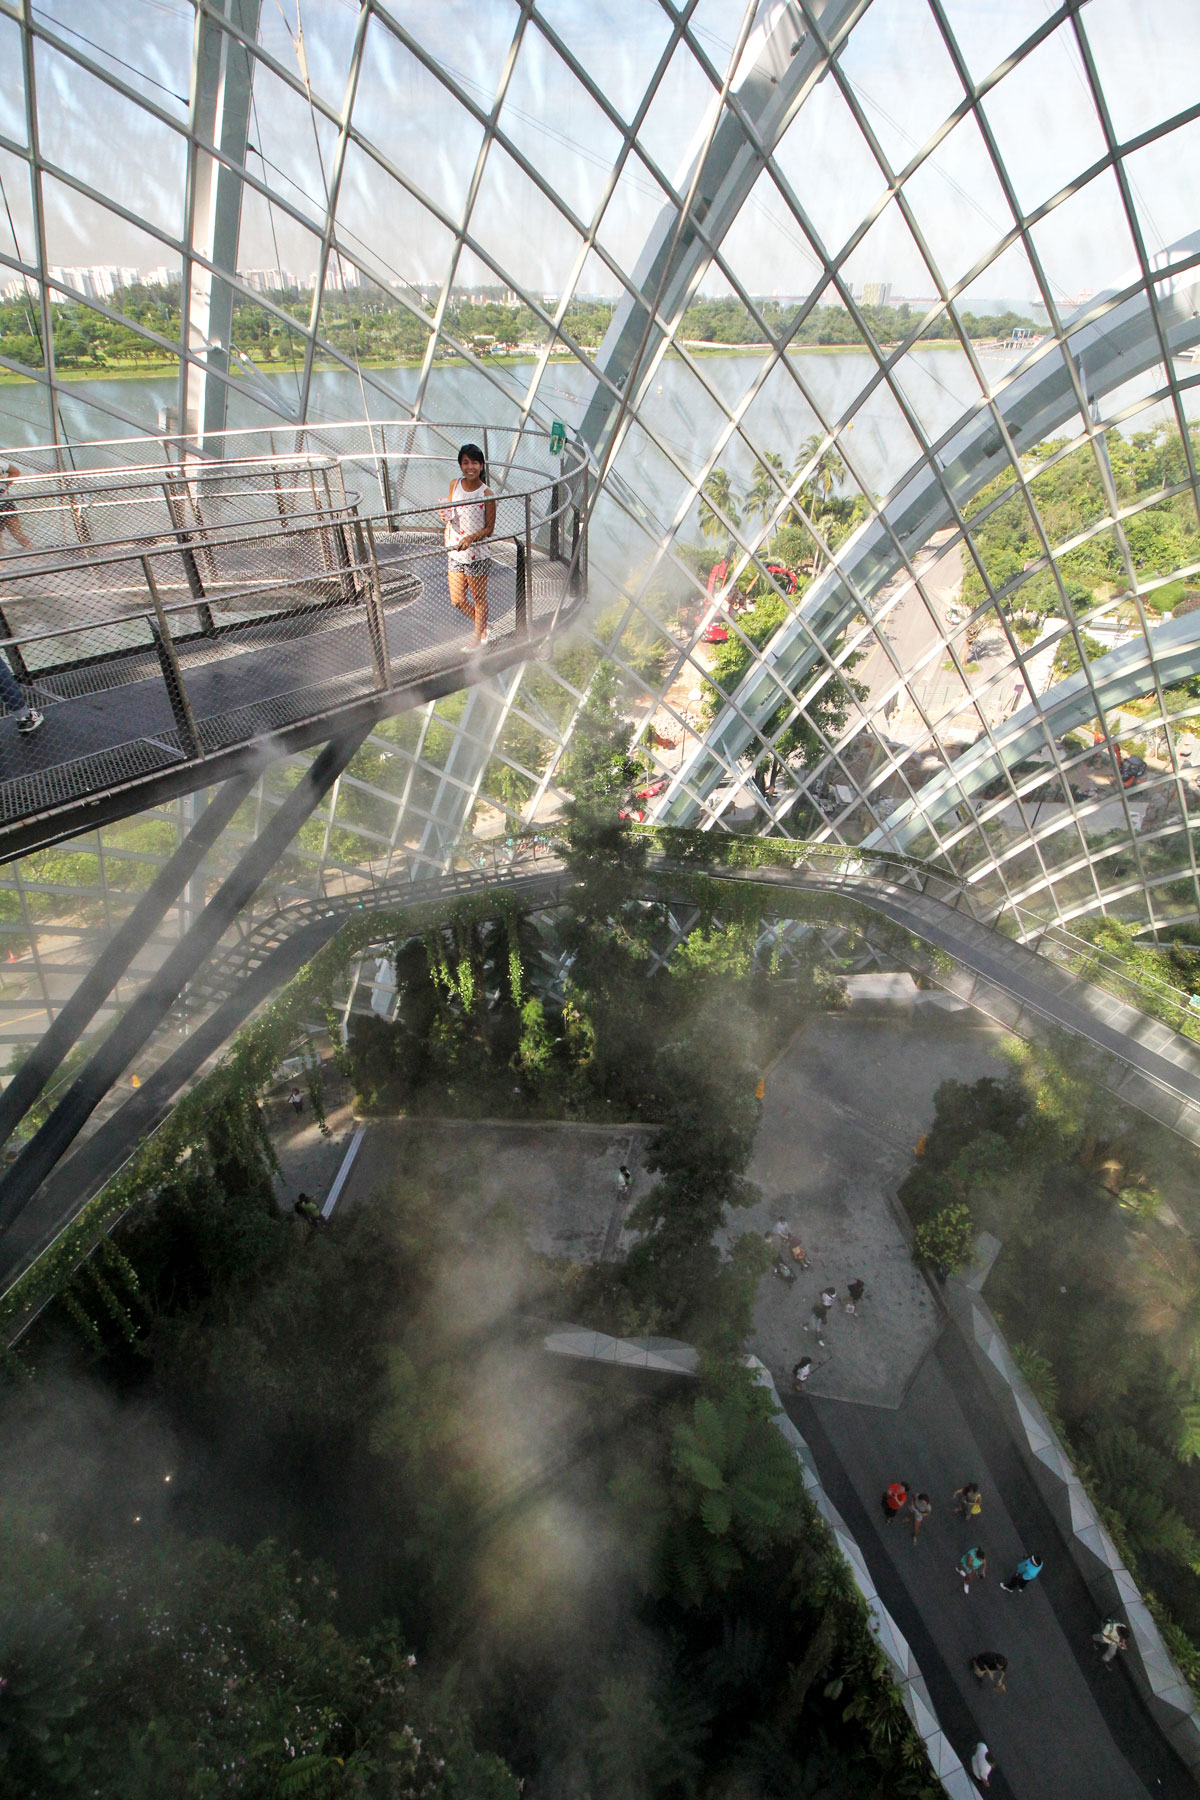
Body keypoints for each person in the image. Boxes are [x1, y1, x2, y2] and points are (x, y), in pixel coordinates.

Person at [440, 442, 496, 646]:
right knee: (457, 600)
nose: (469, 467)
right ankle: (483, 625)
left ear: (481, 466)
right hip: (455, 551)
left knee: (479, 599)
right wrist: (443, 515)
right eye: (465, 462)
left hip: (476, 554)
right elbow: (451, 512)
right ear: (460, 465)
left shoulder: (487, 494)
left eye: (474, 462)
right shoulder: (454, 485)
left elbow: (489, 528)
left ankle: (477, 639)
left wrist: (471, 539)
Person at [0, 464, 32, 550]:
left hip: (5, 503)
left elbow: (15, 471)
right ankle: (3, 561)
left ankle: (33, 555)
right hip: (5, 503)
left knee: (17, 533)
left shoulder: (1, 463)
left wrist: (6, 485)